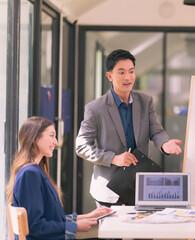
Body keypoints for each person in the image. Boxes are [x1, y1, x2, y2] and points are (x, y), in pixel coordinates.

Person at [76, 49, 182, 207]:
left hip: (140, 185)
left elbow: (156, 131)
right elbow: (82, 146)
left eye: (131, 71)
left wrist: (165, 144)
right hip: (108, 189)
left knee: (140, 231)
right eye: (121, 72)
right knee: (112, 232)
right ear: (109, 76)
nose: (128, 77)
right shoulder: (95, 108)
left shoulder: (145, 101)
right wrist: (114, 158)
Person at [6, 116, 112, 240]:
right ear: (34, 138)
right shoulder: (30, 174)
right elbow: (36, 226)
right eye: (52, 136)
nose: (56, 143)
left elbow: (51, 218)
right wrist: (75, 227)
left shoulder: (32, 171)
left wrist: (87, 216)